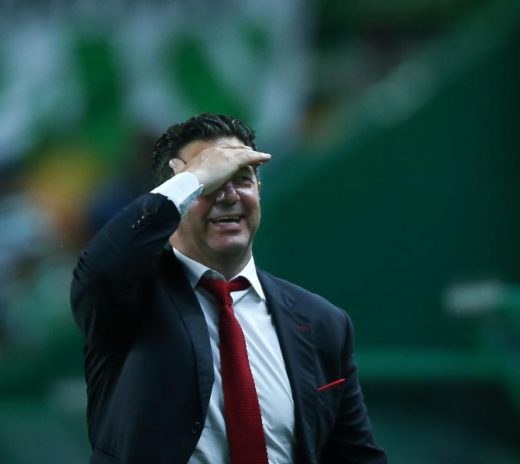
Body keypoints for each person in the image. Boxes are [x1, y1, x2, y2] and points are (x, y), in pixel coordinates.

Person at [70, 113, 387, 463]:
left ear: (259, 191)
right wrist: (193, 178)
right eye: (211, 183)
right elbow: (98, 271)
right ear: (177, 197)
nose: (228, 195)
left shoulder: (322, 322)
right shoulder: (130, 297)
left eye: (242, 179)